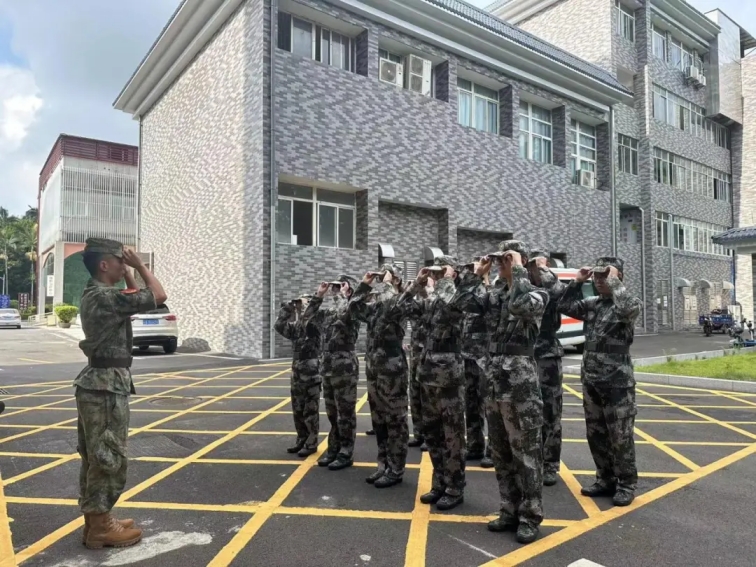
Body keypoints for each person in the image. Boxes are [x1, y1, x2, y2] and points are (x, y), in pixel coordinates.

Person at [76, 238, 167, 550]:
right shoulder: (104, 297)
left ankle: (96, 521)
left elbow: (134, 296)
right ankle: (101, 527)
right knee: (107, 455)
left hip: (99, 381)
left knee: (97, 455)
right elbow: (157, 296)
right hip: (104, 385)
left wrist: (129, 273)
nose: (123, 264)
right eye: (119, 261)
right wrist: (140, 265)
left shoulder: (99, 294)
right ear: (104, 265)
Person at [455, 241, 548, 544]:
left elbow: (520, 305)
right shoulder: (495, 296)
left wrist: (519, 267)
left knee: (527, 455)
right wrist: (476, 274)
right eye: (499, 259)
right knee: (501, 453)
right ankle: (509, 509)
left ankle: (530, 516)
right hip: (495, 383)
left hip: (521, 387)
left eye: (505, 259)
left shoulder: (537, 294)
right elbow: (461, 303)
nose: (500, 263)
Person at [558, 257, 642, 507]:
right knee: (596, 434)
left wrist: (614, 282)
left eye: (604, 275)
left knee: (620, 436)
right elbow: (563, 305)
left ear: (617, 277)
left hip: (617, 383)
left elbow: (627, 309)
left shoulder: (628, 302)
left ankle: (626, 483)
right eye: (596, 275)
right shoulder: (592, 304)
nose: (598, 280)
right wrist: (577, 282)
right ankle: (605, 478)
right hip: (591, 379)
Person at [405, 256, 467, 511]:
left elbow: (452, 307)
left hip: (448, 376)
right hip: (428, 374)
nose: (436, 276)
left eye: (441, 271)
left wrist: (447, 279)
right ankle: (439, 482)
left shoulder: (458, 297)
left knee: (452, 435)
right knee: (432, 433)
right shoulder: (431, 301)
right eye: (435, 272)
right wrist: (416, 285)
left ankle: (455, 487)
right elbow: (402, 309)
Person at [351, 265, 409, 487]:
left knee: (395, 420)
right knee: (379, 420)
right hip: (375, 369)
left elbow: (390, 303)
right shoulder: (376, 306)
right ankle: (383, 464)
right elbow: (354, 309)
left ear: (395, 280)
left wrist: (387, 283)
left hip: (393, 370)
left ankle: (396, 468)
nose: (381, 280)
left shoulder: (399, 301)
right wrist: (364, 285)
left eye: (386, 276)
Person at [304, 275, 361, 471]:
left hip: (345, 368)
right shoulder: (328, 313)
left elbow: (344, 314)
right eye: (335, 286)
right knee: (332, 413)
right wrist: (319, 295)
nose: (336, 289)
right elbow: (307, 317)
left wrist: (343, 295)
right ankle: (334, 447)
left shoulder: (354, 309)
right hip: (328, 368)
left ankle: (346, 451)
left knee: (345, 414)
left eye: (342, 286)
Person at [526, 251, 568, 487]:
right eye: (530, 264)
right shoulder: (524, 286)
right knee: (526, 412)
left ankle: (550, 464)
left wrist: (543, 268)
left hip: (547, 356)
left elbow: (558, 292)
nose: (533, 268)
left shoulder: (553, 285)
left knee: (550, 412)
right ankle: (531, 459)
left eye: (538, 264)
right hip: (524, 356)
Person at [274, 294, 321, 457]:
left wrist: (309, 305)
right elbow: (279, 325)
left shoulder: (315, 323)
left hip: (312, 372)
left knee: (310, 410)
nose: (300, 306)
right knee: (298, 409)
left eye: (304, 303)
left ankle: (311, 443)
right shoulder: (296, 327)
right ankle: (301, 439)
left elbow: (309, 320)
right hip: (297, 372)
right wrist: (288, 308)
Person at [460, 257, 490, 463]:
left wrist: (484, 277)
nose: (472, 270)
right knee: (470, 404)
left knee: (489, 405)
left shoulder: (490, 291)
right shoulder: (467, 291)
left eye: (476, 267)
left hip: (484, 356)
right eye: (470, 268)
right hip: (468, 355)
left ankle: (494, 451)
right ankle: (475, 445)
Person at [407, 278, 431, 451]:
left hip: (428, 358)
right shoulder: (416, 307)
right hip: (415, 356)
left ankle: (429, 437)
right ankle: (418, 434)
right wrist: (412, 287)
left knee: (428, 399)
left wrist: (426, 290)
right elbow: (405, 305)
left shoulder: (435, 304)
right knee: (415, 396)